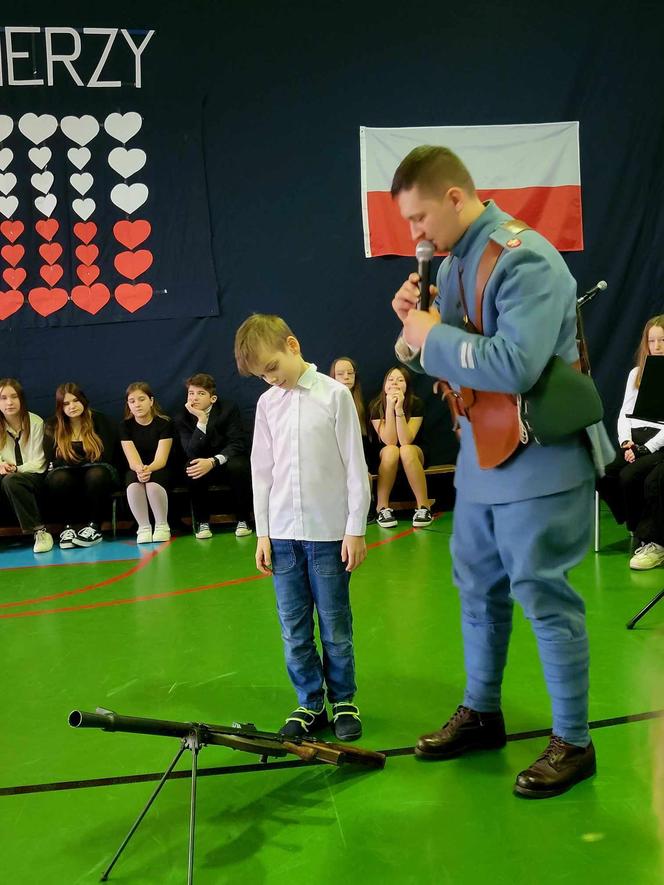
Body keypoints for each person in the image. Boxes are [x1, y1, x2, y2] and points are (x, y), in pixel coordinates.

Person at [390, 145, 597, 798]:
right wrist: (413, 333)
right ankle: (482, 711)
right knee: (477, 585)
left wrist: (434, 335)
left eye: (420, 218)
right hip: (484, 453)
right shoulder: (456, 262)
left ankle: (574, 740)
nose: (414, 234)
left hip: (540, 454)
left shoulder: (523, 257)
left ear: (455, 196)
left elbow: (514, 365)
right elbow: (457, 360)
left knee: (542, 590)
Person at [235, 314, 370, 741]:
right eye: (261, 376)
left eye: (272, 367)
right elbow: (262, 471)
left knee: (335, 625)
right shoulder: (267, 405)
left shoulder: (335, 396)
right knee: (293, 627)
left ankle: (344, 700)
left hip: (329, 536)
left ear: (292, 345)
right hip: (283, 539)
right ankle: (309, 704)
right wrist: (263, 532)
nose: (270, 380)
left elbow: (355, 466)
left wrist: (356, 528)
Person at [597, 316, 664, 569]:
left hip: (658, 442)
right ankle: (636, 523)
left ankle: (649, 537)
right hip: (634, 438)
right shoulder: (637, 373)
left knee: (632, 477)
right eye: (652, 341)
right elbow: (625, 413)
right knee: (603, 472)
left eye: (663, 340)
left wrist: (646, 448)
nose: (657, 346)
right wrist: (626, 443)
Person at [174, 372, 253, 539]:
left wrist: (213, 461)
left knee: (239, 466)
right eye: (191, 393)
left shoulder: (228, 408)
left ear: (213, 398)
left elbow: (237, 443)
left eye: (200, 393)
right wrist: (201, 420)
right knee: (191, 467)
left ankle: (243, 519)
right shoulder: (182, 416)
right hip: (202, 461)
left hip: (226, 459)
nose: (194, 398)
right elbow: (190, 451)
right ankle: (202, 522)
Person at [44, 383, 119, 549]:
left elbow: (105, 456)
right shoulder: (52, 425)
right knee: (58, 478)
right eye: (66, 403)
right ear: (60, 407)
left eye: (76, 401)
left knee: (96, 474)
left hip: (99, 469)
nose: (72, 407)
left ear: (84, 401)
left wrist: (72, 460)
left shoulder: (100, 420)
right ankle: (67, 528)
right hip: (65, 473)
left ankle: (94, 527)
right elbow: (53, 461)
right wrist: (81, 460)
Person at [368, 365, 432, 528]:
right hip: (386, 454)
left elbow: (405, 440)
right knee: (392, 450)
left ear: (407, 385)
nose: (395, 383)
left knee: (405, 450)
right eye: (390, 380)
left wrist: (399, 409)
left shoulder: (416, 404)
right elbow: (390, 440)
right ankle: (382, 507)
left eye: (400, 380)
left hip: (414, 451)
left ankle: (423, 506)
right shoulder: (376, 406)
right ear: (384, 385)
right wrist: (389, 408)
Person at [0, 378, 52, 553]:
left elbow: (40, 462)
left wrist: (15, 469)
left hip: (33, 476)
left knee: (11, 481)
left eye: (14, 397)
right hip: (6, 474)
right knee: (8, 479)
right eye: (3, 398)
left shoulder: (35, 422)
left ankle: (40, 532)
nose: (9, 402)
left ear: (21, 399)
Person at [119, 382, 173, 544]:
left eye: (141, 399)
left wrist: (148, 469)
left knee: (152, 484)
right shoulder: (124, 426)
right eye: (132, 401)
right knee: (133, 483)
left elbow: (161, 459)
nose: (137, 404)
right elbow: (132, 458)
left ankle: (162, 525)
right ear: (128, 405)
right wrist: (140, 469)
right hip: (138, 468)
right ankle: (143, 527)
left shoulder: (164, 424)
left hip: (159, 467)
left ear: (151, 401)